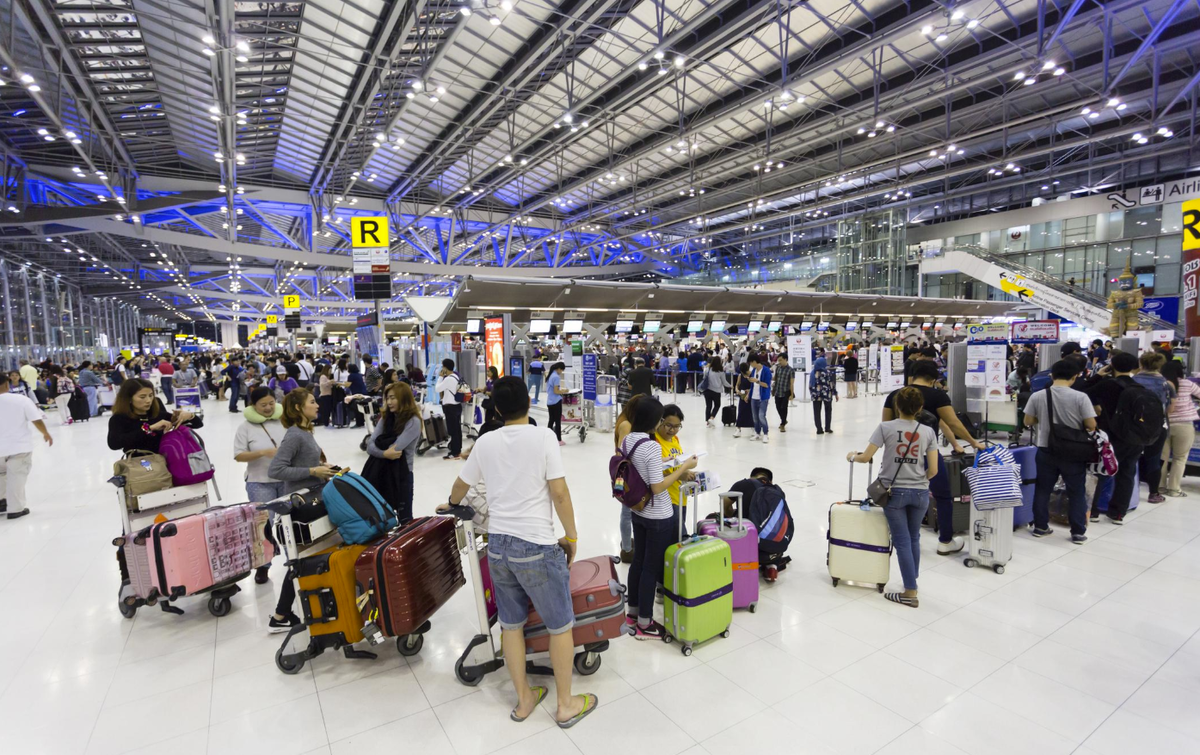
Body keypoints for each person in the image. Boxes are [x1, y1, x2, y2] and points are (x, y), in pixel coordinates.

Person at [444, 376, 597, 728]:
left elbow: (459, 487)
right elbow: (559, 492)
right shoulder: (543, 436)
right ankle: (565, 704)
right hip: (536, 546)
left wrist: (451, 504)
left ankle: (524, 700)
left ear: (495, 409)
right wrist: (571, 536)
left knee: (511, 626)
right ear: (530, 403)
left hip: (498, 547)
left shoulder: (485, 442)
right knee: (560, 626)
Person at [847, 386, 937, 607]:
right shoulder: (928, 432)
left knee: (902, 541)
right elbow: (933, 469)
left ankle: (910, 592)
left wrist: (852, 455)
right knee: (914, 537)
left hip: (893, 492)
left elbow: (867, 456)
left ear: (897, 406)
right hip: (920, 493)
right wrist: (919, 480)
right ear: (920, 408)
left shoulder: (885, 427)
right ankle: (912, 580)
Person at [883, 360, 984, 555]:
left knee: (895, 493)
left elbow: (886, 425)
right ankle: (945, 541)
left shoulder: (895, 395)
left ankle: (898, 537)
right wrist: (972, 442)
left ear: (912, 376)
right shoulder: (938, 396)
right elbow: (952, 422)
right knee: (942, 496)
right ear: (934, 379)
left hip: (897, 453)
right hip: (927, 453)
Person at [621, 397, 697, 639]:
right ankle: (645, 621)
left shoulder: (629, 440)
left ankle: (632, 612)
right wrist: (683, 467)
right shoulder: (652, 445)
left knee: (639, 562)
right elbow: (657, 487)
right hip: (658, 514)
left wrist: (667, 462)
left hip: (638, 511)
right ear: (654, 421)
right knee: (651, 568)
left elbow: (642, 468)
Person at [267, 389, 341, 632]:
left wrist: (320, 467)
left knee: (303, 558)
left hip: (313, 501)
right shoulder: (295, 435)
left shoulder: (306, 431)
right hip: (301, 508)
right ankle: (280, 615)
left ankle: (282, 613)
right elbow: (276, 470)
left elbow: (304, 464)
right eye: (312, 402)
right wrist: (312, 472)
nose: (317, 405)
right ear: (298, 408)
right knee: (299, 559)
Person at [1024, 360, 1098, 542]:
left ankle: (1040, 527)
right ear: (1074, 377)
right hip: (1074, 451)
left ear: (1052, 375)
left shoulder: (1038, 396)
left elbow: (1027, 421)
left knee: (1043, 489)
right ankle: (1078, 531)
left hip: (1046, 448)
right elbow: (1091, 425)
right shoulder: (1080, 397)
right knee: (1076, 491)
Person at [233, 387, 287, 584]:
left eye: (271, 403)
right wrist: (263, 452)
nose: (268, 408)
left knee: (294, 521)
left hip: (287, 479)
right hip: (259, 481)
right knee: (263, 526)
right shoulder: (245, 427)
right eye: (263, 404)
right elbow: (238, 455)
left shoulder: (285, 420)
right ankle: (263, 566)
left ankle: (297, 558)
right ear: (253, 405)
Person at [1084, 352, 1145, 523]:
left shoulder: (1106, 385)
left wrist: (1097, 376)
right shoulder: (1139, 387)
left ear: (1113, 366)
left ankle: (1094, 511)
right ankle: (1118, 513)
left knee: (1101, 471)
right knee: (1127, 473)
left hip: (1109, 437)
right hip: (1134, 438)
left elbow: (1082, 393)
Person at [362, 382, 422, 523]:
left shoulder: (413, 422)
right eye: (387, 398)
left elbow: (396, 449)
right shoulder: (386, 417)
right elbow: (369, 445)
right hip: (381, 472)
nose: (389, 402)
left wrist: (381, 446)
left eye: (393, 398)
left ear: (404, 398)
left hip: (402, 475)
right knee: (379, 514)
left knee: (405, 518)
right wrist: (384, 454)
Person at [0, 372, 52, 520]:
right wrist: (45, 433)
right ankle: (15, 509)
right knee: (16, 476)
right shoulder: (21, 400)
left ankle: (1, 501)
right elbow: (36, 418)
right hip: (18, 447)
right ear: (6, 384)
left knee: (1, 475)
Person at [106, 378, 202, 454]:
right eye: (142, 397)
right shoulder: (119, 419)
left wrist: (189, 415)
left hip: (165, 464)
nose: (148, 400)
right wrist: (149, 428)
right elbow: (114, 444)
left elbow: (198, 424)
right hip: (138, 466)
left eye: (151, 395)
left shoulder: (158, 415)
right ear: (129, 399)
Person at [1134, 351, 1174, 504]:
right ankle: (1153, 493)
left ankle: (1131, 491)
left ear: (1141, 363)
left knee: (1132, 458)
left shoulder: (1134, 380)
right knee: (1154, 459)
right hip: (1158, 426)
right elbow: (1170, 409)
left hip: (1135, 425)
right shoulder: (1166, 384)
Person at [614, 394, 646, 563]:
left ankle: (627, 544)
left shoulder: (627, 421)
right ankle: (626, 549)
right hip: (627, 475)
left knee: (628, 512)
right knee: (627, 513)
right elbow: (622, 452)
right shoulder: (626, 424)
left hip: (628, 473)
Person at [655, 404, 694, 538]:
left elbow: (677, 464)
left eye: (677, 426)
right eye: (669, 425)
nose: (673, 430)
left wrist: (688, 472)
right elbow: (653, 472)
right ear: (660, 421)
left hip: (680, 496)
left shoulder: (674, 439)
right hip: (667, 499)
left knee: (677, 536)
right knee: (678, 538)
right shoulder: (654, 442)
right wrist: (680, 474)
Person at [1162, 360, 1199, 498]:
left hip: (1164, 424)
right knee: (1180, 458)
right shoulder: (1188, 383)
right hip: (1184, 425)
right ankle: (1174, 489)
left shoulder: (1162, 383)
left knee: (1162, 458)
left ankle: (1160, 487)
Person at [436, 358, 465, 460]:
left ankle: (454, 452)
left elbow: (437, 389)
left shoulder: (448, 379)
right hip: (457, 406)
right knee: (457, 429)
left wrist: (440, 377)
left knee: (453, 430)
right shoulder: (456, 376)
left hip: (450, 407)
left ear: (445, 367)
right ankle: (457, 449)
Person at [810, 355, 837, 434]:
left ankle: (819, 429)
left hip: (816, 395)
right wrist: (835, 393)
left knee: (817, 412)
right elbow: (831, 384)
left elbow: (810, 385)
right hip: (827, 395)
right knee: (828, 411)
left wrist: (812, 393)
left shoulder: (813, 373)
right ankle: (827, 428)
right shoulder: (827, 372)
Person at [747, 354, 772, 443]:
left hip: (763, 397)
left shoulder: (766, 370)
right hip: (754, 397)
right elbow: (752, 385)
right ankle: (757, 433)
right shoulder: (753, 370)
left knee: (761, 416)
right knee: (755, 417)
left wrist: (757, 381)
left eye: (750, 363)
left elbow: (766, 385)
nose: (750, 365)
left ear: (754, 361)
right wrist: (748, 394)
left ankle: (765, 434)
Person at [701, 356, 729, 427]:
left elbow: (704, 377)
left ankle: (708, 422)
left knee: (708, 406)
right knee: (717, 405)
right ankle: (712, 417)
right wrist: (730, 386)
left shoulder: (708, 369)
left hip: (707, 390)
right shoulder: (720, 372)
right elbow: (724, 382)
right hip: (716, 391)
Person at [545, 361, 567, 444]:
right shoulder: (556, 377)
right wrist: (564, 391)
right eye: (561, 370)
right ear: (558, 369)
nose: (561, 372)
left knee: (551, 420)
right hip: (556, 401)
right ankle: (559, 439)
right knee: (558, 421)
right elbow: (556, 391)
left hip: (550, 401)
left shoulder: (550, 375)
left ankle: (547, 438)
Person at [771, 353, 795, 432]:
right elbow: (775, 378)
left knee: (784, 407)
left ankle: (782, 424)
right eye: (778, 360)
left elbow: (791, 383)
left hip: (785, 392)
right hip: (778, 391)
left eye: (780, 360)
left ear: (785, 359)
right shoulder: (778, 368)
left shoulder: (791, 370)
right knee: (778, 407)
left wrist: (791, 394)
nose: (779, 362)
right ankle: (784, 420)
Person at [733, 363, 754, 438]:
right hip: (742, 395)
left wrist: (749, 391)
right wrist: (737, 390)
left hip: (751, 396)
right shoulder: (740, 375)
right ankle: (738, 428)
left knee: (752, 412)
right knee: (741, 412)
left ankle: (753, 428)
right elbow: (737, 385)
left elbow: (754, 386)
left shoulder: (753, 374)